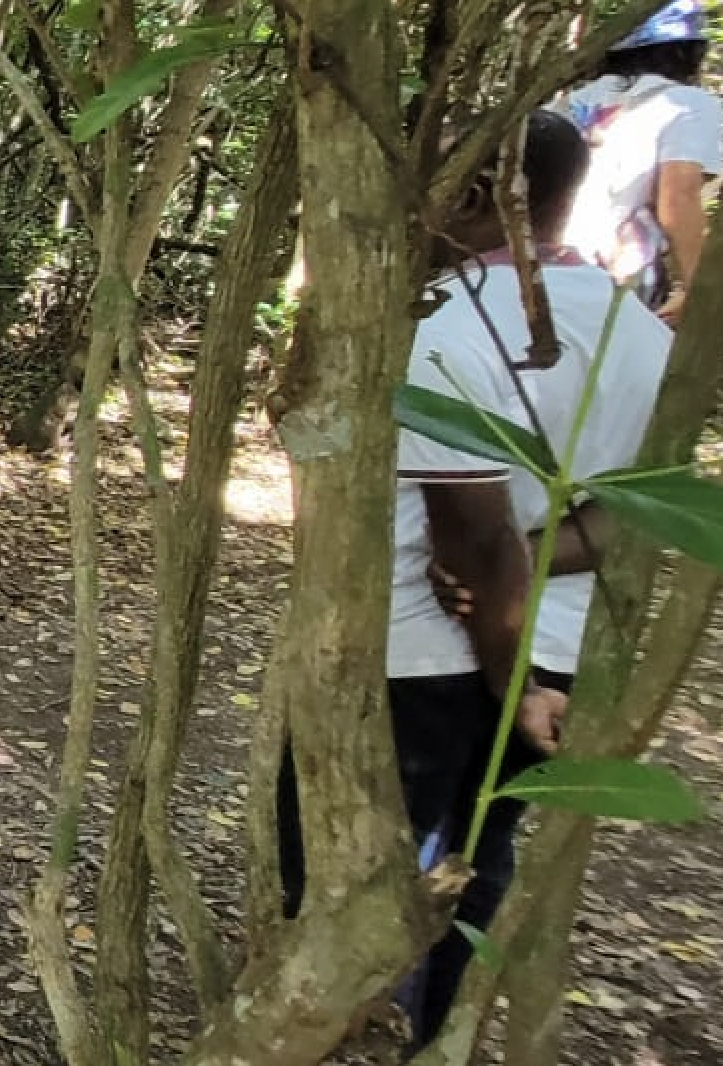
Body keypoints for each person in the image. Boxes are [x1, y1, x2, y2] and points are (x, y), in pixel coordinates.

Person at [283, 110, 670, 1049]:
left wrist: (512, 682)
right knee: (477, 853)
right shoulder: (641, 331)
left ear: (473, 194)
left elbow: (475, 543)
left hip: (435, 654)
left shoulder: (445, 329)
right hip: (565, 647)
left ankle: (337, 1027)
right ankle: (435, 1031)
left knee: (346, 870)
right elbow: (640, 511)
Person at [554, 0, 717, 323]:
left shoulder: (572, 103)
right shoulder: (687, 104)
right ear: (687, 52)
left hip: (536, 264)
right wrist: (701, 292)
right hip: (613, 273)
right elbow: (678, 198)